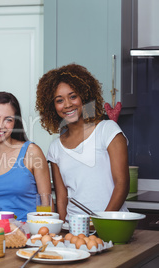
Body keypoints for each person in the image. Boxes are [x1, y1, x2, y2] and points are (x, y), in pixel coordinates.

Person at [35, 63, 129, 222]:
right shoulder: (55, 148)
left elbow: (122, 184)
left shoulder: (108, 131)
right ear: (52, 107)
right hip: (75, 228)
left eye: (73, 96)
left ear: (84, 97)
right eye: (59, 100)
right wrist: (64, 231)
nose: (67, 104)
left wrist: (101, 223)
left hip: (112, 225)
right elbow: (62, 198)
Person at [0, 92, 52, 221]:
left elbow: (47, 207)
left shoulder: (32, 152)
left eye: (8, 120)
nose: (0, 125)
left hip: (32, 237)